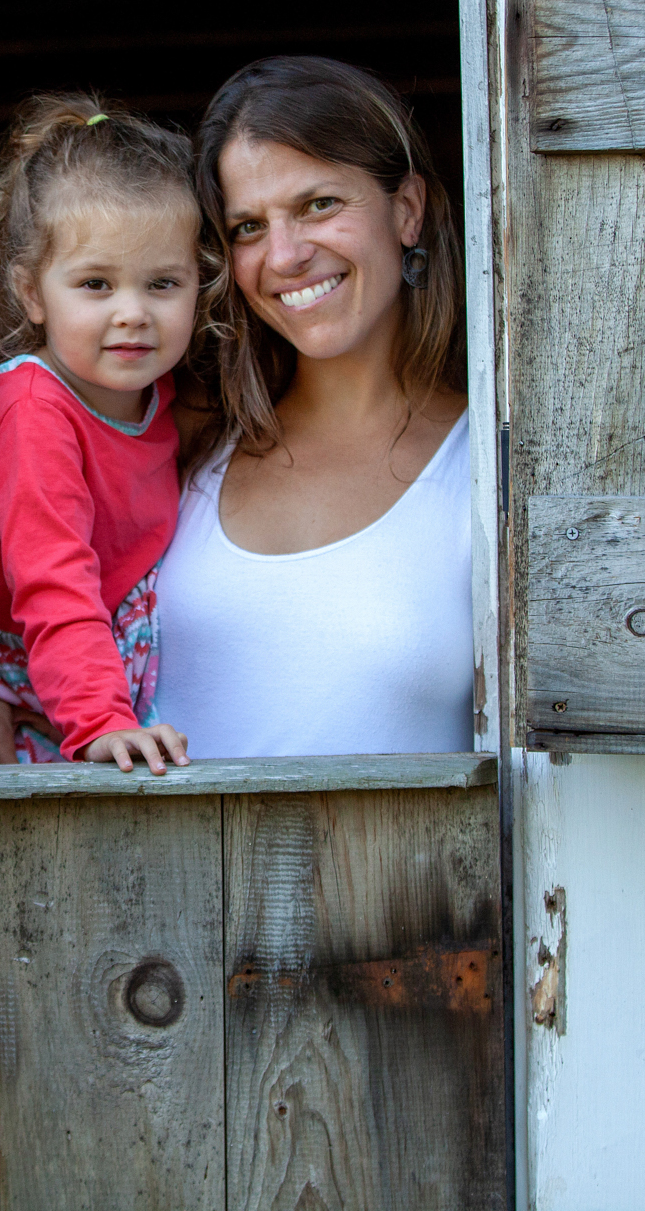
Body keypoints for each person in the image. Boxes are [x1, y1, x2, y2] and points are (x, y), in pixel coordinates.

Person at [155, 56, 474, 756]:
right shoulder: (185, 441)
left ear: (407, 210)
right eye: (248, 227)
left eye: (318, 204)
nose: (286, 255)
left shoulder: (489, 464)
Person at [0, 96, 203, 775]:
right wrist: (102, 719)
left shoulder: (165, 397)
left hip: (91, 683)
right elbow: (55, 582)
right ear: (32, 293)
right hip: (26, 698)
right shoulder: (33, 410)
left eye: (163, 282)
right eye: (96, 283)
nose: (132, 313)